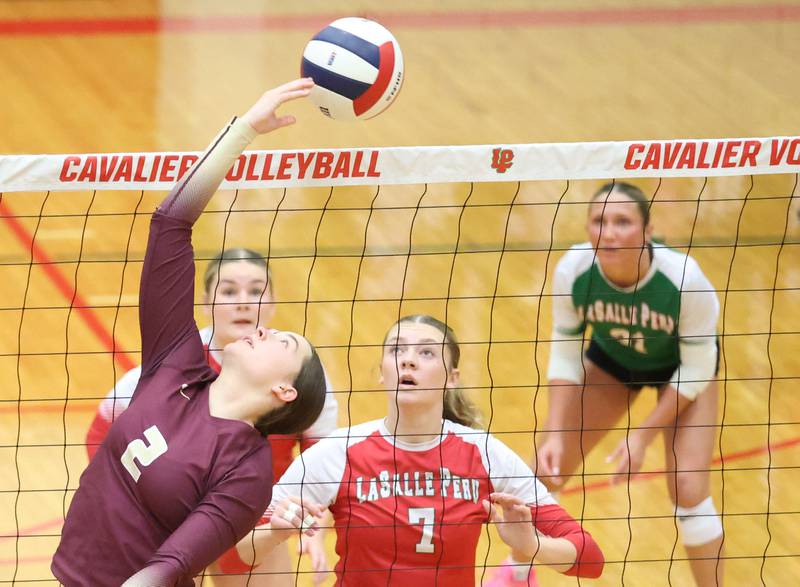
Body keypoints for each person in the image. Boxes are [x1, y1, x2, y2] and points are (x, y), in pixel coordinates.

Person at [52, 78, 326, 587]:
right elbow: (170, 222)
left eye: (284, 342)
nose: (265, 330)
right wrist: (244, 130)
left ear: (284, 391)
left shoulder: (246, 475)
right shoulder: (176, 362)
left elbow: (170, 566)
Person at [229, 314, 605, 586]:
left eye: (426, 353)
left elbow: (590, 558)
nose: (408, 359)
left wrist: (533, 544)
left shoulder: (484, 453)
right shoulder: (338, 453)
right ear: (381, 372)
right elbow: (238, 552)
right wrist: (277, 533)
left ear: (452, 377)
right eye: (397, 350)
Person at [493, 182, 723, 586]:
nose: (609, 232)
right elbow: (564, 354)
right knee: (546, 468)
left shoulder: (684, 279)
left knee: (687, 487)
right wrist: (556, 432)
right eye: (599, 221)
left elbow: (699, 366)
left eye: (623, 221)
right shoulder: (574, 269)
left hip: (682, 371)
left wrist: (643, 435)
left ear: (647, 231)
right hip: (614, 361)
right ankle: (518, 574)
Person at [84, 248, 337, 586]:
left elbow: (319, 462)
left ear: (273, 302)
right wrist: (125, 503)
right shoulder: (173, 365)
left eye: (256, 291)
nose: (244, 302)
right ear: (205, 303)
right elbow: (101, 431)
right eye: (229, 291)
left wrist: (308, 523)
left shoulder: (299, 376)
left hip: (251, 519)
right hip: (165, 520)